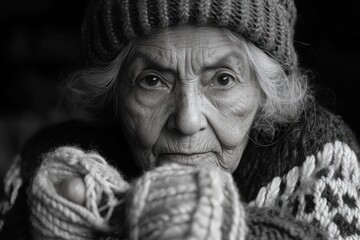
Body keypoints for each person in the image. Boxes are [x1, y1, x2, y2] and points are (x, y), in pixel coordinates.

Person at [1, 0, 360, 239]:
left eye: (222, 79)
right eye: (152, 81)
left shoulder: (319, 157)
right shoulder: (48, 165)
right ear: (114, 92)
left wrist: (119, 219)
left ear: (265, 92)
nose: (187, 121)